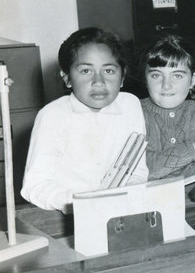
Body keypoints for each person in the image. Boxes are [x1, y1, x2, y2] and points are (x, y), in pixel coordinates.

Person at [22, 28, 147, 212]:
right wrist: (79, 204)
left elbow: (137, 171)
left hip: (121, 210)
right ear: (67, 78)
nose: (99, 81)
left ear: (123, 76)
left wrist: (125, 199)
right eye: (86, 70)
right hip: (68, 217)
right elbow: (34, 186)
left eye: (109, 71)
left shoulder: (130, 105)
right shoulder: (52, 116)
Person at [140, 35, 195, 180]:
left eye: (177, 76)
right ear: (146, 79)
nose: (166, 85)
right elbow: (143, 170)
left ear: (193, 80)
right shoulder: (136, 112)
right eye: (156, 75)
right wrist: (193, 148)